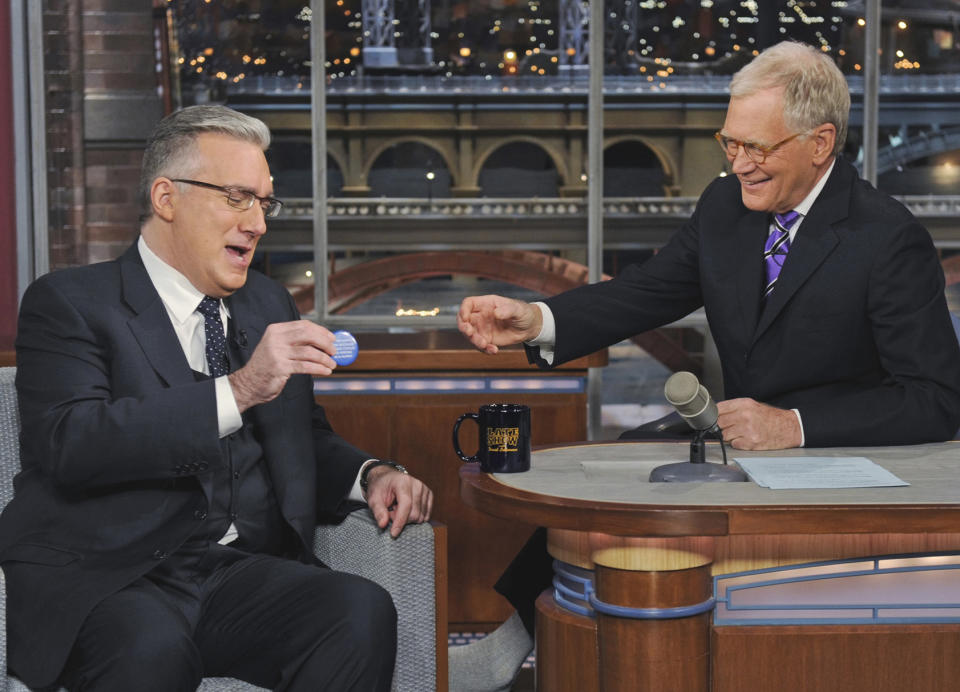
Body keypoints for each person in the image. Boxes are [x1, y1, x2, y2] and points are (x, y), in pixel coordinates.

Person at [452, 40, 960, 692]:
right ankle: (542, 654)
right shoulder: (725, 208)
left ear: (820, 142)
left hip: (842, 471)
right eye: (730, 143)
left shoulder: (887, 238)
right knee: (599, 510)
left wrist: (796, 426)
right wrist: (539, 321)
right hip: (733, 448)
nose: (739, 164)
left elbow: (936, 399)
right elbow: (646, 292)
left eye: (758, 148)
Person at [0, 105, 433, 691]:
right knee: (151, 650)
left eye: (264, 202)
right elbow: (70, 444)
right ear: (166, 198)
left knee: (357, 610)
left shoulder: (268, 303)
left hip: (236, 574)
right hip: (111, 576)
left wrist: (370, 473)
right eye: (237, 197)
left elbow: (300, 436)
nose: (257, 222)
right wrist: (239, 389)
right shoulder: (70, 301)